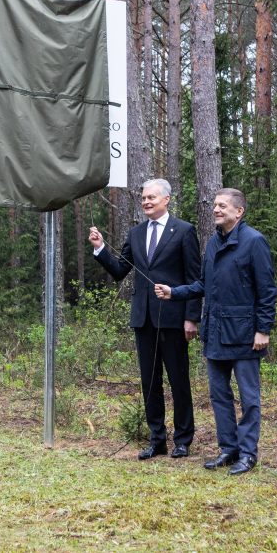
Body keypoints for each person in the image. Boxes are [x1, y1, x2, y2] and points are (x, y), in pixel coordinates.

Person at [155, 188, 277, 475]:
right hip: (216, 333)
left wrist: (263, 329)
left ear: (239, 211)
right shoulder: (212, 243)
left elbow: (267, 291)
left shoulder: (254, 242)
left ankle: (248, 453)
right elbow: (202, 285)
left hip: (246, 334)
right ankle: (228, 449)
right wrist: (174, 292)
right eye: (214, 205)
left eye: (222, 206)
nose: (216, 210)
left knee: (249, 398)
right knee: (219, 395)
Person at [89, 178, 202, 460]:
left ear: (167, 200)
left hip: (174, 319)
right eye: (143, 198)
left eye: (152, 197)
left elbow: (195, 278)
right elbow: (119, 270)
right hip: (144, 320)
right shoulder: (136, 233)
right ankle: (157, 439)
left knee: (178, 380)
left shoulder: (184, 231)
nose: (146, 202)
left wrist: (191, 318)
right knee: (150, 382)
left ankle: (183, 440)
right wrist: (101, 248)